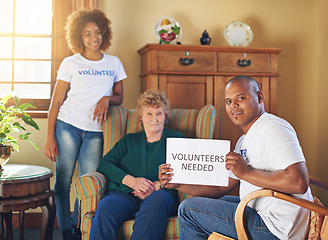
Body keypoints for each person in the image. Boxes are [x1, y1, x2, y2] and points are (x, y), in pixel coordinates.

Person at [159, 76, 313, 240]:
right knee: (200, 204)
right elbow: (220, 189)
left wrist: (245, 173)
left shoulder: (273, 128)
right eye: (228, 102)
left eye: (241, 98)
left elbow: (299, 183)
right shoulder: (244, 141)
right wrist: (178, 184)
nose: (234, 106)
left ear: (260, 97)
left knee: (188, 210)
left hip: (277, 228)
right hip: (261, 213)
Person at [44, 9, 127, 240]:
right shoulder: (71, 62)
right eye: (88, 33)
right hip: (67, 125)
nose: (94, 38)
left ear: (104, 34)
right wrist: (50, 136)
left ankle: (80, 225)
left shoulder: (114, 62)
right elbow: (57, 101)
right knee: (62, 181)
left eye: (98, 32)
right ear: (79, 37)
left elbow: (120, 97)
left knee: (88, 183)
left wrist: (106, 98)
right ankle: (67, 231)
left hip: (95, 132)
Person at [89, 90, 184, 240]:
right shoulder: (129, 140)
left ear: (165, 116)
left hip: (161, 195)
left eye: (159, 113)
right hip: (125, 194)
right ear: (141, 117)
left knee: (155, 202)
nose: (155, 119)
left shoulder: (177, 139)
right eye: (149, 114)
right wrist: (132, 181)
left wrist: (157, 186)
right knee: (106, 207)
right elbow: (105, 164)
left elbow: (185, 170)